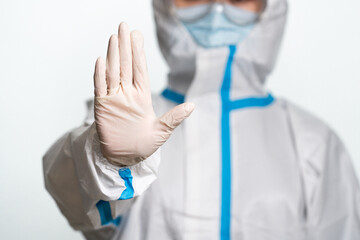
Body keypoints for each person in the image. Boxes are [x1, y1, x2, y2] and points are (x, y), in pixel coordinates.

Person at [43, 0, 360, 239]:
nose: (217, 9)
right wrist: (107, 161)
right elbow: (77, 201)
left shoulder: (313, 142)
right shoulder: (125, 120)